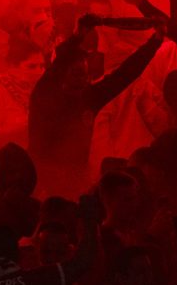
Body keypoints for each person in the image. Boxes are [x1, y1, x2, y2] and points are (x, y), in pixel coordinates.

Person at [28, 23, 167, 191]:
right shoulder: (45, 94)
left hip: (75, 180)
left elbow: (126, 74)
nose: (83, 79)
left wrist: (155, 42)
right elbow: (59, 61)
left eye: (85, 74)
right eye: (77, 73)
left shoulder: (89, 97)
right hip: (41, 180)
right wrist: (77, 36)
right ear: (62, 73)